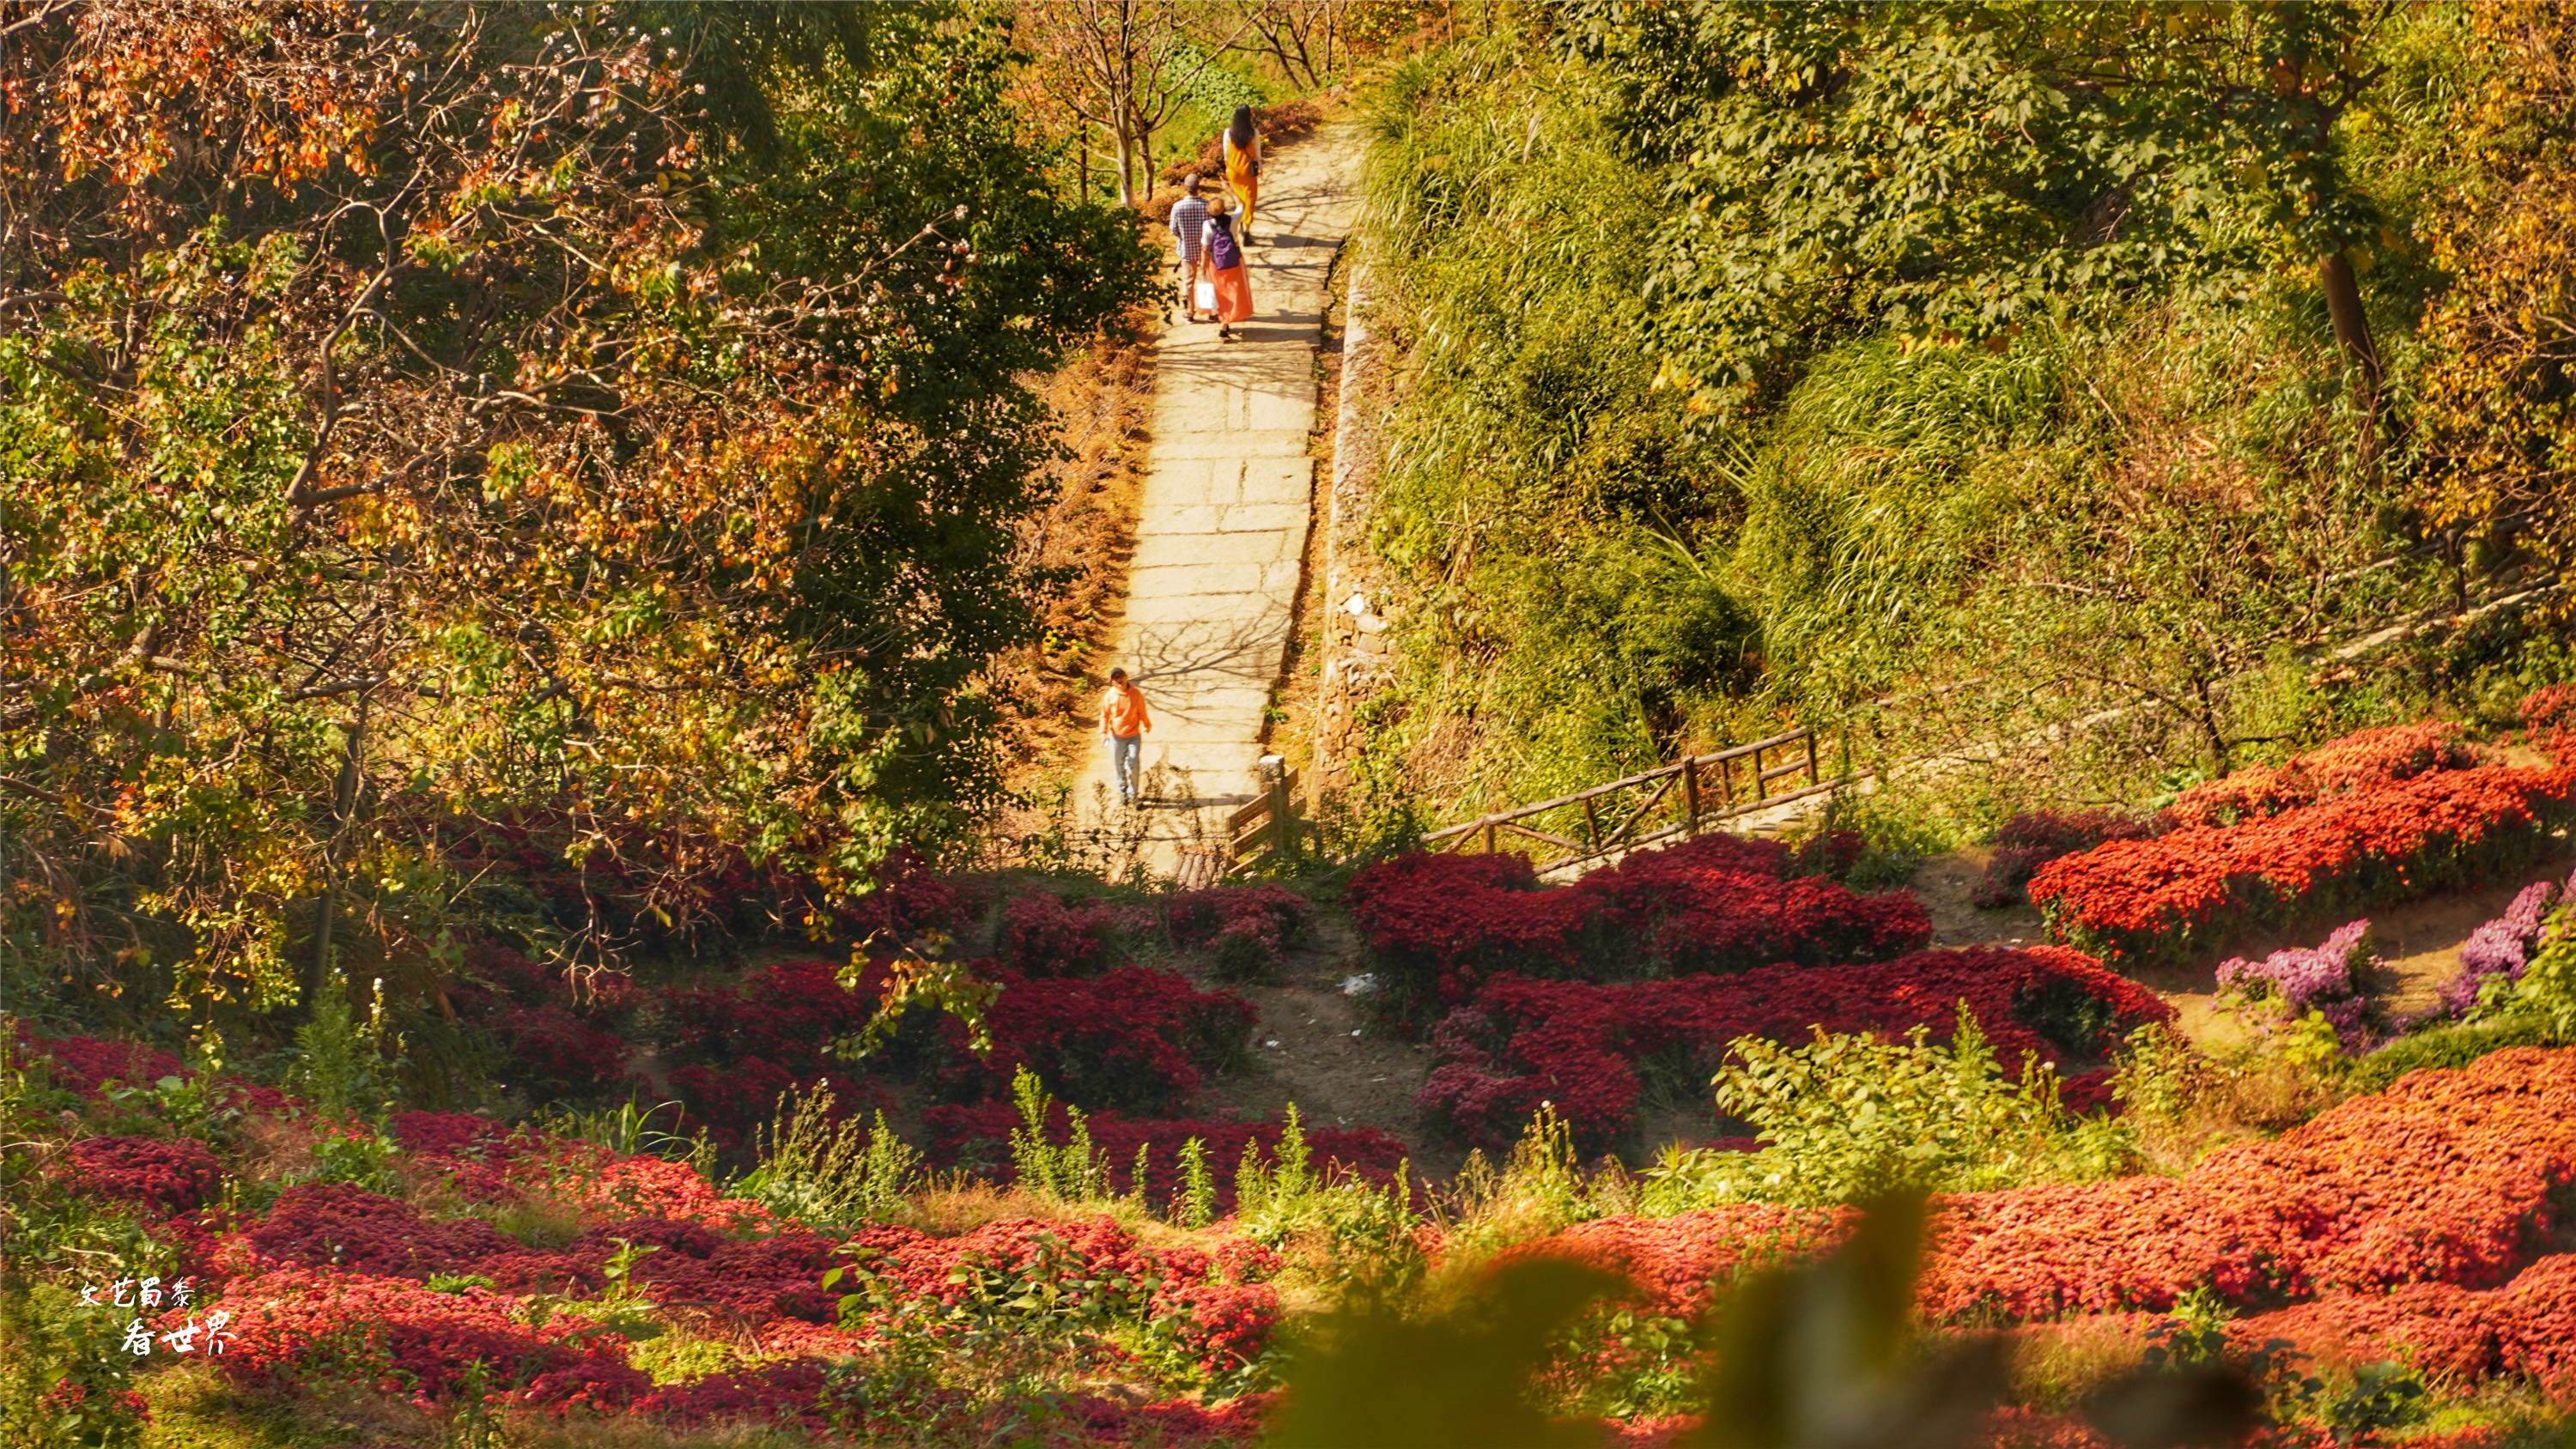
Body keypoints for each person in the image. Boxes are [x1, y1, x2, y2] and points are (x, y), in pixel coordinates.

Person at [1202, 196, 1254, 342]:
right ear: (1224, 209)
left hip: (1215, 263)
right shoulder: (1234, 220)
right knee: (1234, 291)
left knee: (1220, 293)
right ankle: (1225, 325)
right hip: (1234, 260)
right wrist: (1230, 190)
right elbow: (1241, 203)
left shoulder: (1207, 225)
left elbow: (1205, 247)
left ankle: (1224, 323)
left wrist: (1202, 265)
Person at [1098, 666, 1151, 804]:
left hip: (1133, 736)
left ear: (1126, 677)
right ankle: (1123, 792)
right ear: (1112, 682)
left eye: (1121, 676)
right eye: (1115, 678)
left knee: (1133, 763)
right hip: (1116, 737)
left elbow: (1142, 711)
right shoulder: (1110, 696)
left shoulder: (1136, 694)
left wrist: (1147, 724)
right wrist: (1103, 733)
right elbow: (1104, 716)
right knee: (1118, 766)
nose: (1119, 679)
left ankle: (1133, 794)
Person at [1168, 174, 1211, 324]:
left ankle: (1190, 312)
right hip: (1206, 249)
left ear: (1184, 187)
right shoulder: (1207, 205)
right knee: (1207, 279)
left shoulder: (1178, 207)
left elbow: (1173, 229)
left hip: (1187, 249)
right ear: (1199, 187)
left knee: (1188, 281)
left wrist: (1184, 237)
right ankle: (1210, 311)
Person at [1222, 104, 1261, 246]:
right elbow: (1257, 154)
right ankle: (1246, 231)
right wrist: (1260, 168)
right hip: (1248, 172)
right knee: (1250, 199)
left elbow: (1226, 153)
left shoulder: (1228, 132)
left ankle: (1238, 226)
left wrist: (1227, 169)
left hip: (1234, 171)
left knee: (1238, 199)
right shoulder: (1253, 133)